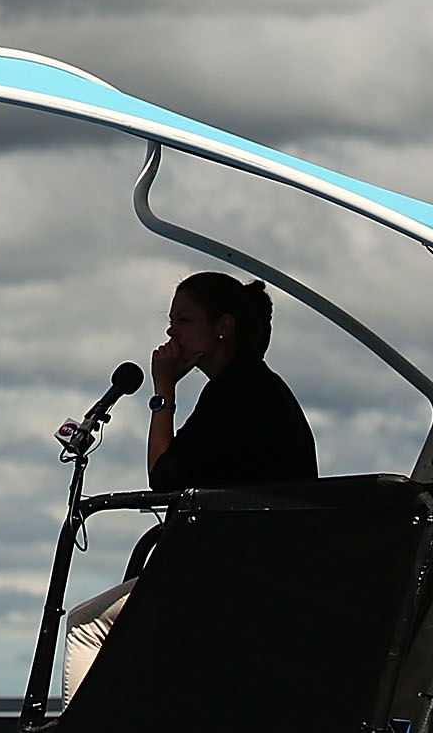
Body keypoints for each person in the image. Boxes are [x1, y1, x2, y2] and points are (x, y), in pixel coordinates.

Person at [61, 272, 317, 691]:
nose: (171, 331)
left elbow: (163, 478)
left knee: (87, 624)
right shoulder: (255, 386)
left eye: (184, 320)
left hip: (242, 576)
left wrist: (164, 391)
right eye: (171, 319)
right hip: (262, 568)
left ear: (223, 327)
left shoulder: (236, 393)